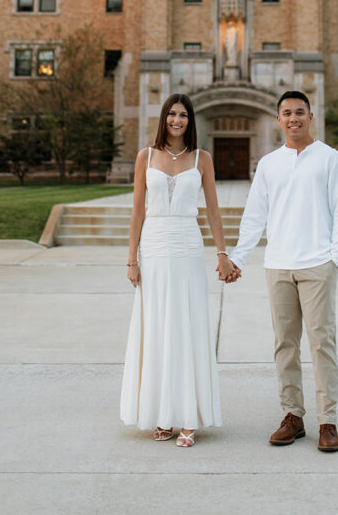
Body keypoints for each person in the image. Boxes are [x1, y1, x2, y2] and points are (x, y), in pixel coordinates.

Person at [229, 90, 338, 452]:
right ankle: (293, 416)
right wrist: (239, 257)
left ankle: (327, 421)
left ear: (310, 117)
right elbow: (255, 216)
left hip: (317, 265)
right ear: (278, 119)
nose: (294, 118)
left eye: (300, 112)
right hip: (279, 266)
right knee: (285, 345)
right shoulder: (269, 163)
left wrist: (335, 259)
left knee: (321, 345)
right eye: (287, 113)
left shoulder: (329, 159)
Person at [120, 94, 234, 447]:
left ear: (190, 121)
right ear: (163, 118)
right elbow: (137, 210)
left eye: (183, 115)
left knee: (185, 327)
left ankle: (187, 417)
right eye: (171, 113)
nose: (177, 120)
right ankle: (162, 415)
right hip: (153, 246)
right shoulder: (145, 157)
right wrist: (132, 259)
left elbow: (213, 209)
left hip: (186, 245)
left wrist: (221, 253)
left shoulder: (202, 159)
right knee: (156, 328)